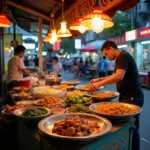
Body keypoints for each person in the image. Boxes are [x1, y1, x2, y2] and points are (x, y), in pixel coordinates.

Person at [90, 41, 144, 150]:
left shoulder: (123, 56)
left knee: (132, 127)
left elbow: (119, 76)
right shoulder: (120, 57)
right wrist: (99, 79)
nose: (106, 56)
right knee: (128, 127)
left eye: (106, 53)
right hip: (126, 96)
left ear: (111, 49)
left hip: (133, 96)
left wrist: (99, 84)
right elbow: (115, 75)